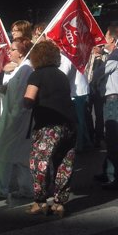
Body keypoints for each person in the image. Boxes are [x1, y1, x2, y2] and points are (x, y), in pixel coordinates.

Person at [23, 40, 77, 217]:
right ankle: (60, 203)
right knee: (64, 164)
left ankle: (40, 202)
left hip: (48, 126)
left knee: (40, 164)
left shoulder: (36, 75)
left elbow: (28, 100)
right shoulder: (61, 75)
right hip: (69, 125)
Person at [0, 37, 35, 200]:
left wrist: (13, 119)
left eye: (13, 49)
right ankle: (26, 188)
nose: (9, 52)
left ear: (21, 52)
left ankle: (2, 187)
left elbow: (21, 97)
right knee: (20, 155)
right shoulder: (22, 67)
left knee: (3, 153)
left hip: (16, 120)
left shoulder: (25, 69)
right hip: (16, 119)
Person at [94, 26, 118, 190]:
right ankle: (109, 172)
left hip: (116, 100)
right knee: (111, 139)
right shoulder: (114, 55)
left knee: (113, 140)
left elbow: (102, 71)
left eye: (106, 36)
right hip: (114, 99)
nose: (103, 39)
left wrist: (98, 60)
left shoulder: (116, 55)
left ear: (111, 40)